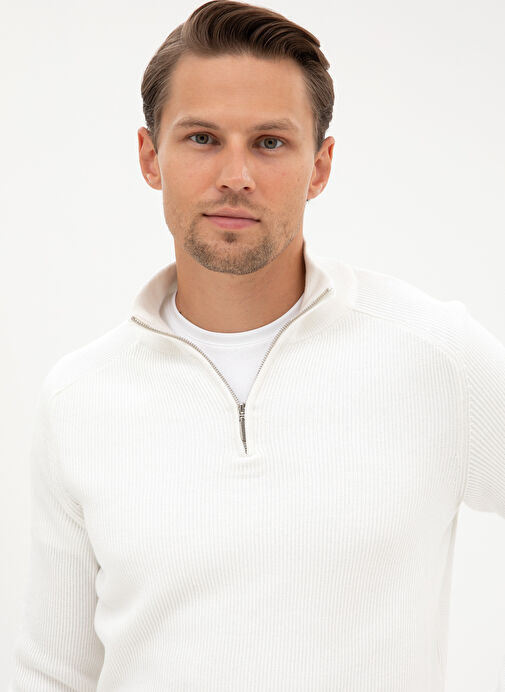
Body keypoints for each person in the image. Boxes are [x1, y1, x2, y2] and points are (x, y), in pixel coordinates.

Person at [8, 1, 505, 690]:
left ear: (319, 166)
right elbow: (53, 671)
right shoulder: (78, 398)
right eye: (202, 138)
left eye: (269, 142)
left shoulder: (435, 356)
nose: (234, 174)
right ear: (150, 157)